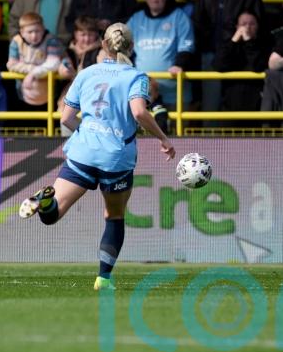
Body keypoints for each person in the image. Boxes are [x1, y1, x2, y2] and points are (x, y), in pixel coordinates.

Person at [19, 23, 175, 290]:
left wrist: (89, 133)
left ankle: (44, 202)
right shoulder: (137, 77)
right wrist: (162, 137)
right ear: (132, 47)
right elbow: (139, 113)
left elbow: (65, 117)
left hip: (82, 151)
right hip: (115, 157)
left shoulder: (87, 73)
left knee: (52, 215)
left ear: (103, 45)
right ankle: (103, 278)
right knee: (114, 216)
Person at [6, 12, 64, 106]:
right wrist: (33, 69)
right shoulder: (16, 41)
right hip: (22, 94)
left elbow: (54, 63)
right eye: (30, 32)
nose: (34, 36)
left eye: (37, 31)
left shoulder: (51, 40)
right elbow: (11, 64)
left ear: (43, 28)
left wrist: (33, 74)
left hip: (49, 94)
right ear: (22, 32)